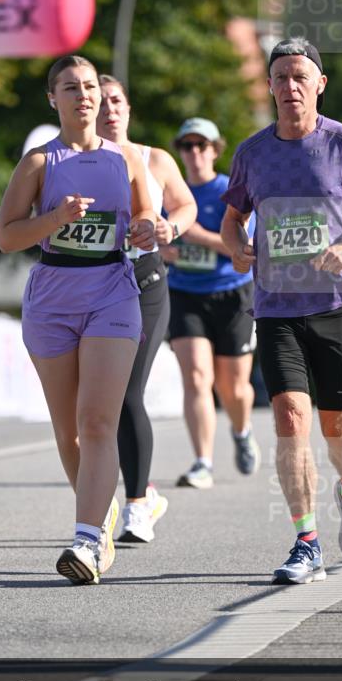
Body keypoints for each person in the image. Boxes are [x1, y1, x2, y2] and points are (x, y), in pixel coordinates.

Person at [221, 37, 342, 585]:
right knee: (290, 418)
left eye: (300, 76)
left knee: (340, 427)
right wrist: (235, 244)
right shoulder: (252, 153)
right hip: (276, 307)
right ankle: (306, 541)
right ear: (270, 85)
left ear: (319, 83)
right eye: (280, 77)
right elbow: (233, 218)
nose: (290, 86)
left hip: (336, 304)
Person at [0, 56, 156, 585]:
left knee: (96, 421)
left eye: (90, 86)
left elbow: (148, 216)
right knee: (69, 433)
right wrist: (55, 219)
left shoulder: (126, 158)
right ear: (54, 99)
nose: (84, 95)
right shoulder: (39, 164)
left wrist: (148, 230)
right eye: (71, 87)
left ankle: (86, 541)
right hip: (52, 299)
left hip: (112, 293)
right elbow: (8, 236)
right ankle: (101, 518)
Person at [97, 75, 197, 543]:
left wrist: (168, 229)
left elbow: (186, 206)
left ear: (129, 108)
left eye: (117, 100)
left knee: (126, 391)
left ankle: (137, 504)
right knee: (97, 403)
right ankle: (121, 497)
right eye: (102, 102)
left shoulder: (155, 158)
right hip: (93, 285)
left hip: (145, 282)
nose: (110, 110)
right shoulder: (77, 163)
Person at [161, 117, 261, 490]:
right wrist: (164, 249)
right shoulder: (172, 196)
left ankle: (241, 428)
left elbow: (241, 245)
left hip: (234, 292)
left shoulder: (230, 190)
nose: (194, 153)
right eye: (187, 146)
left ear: (215, 150)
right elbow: (159, 239)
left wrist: (196, 234)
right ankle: (202, 461)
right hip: (185, 292)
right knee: (197, 377)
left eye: (201, 145)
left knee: (232, 387)